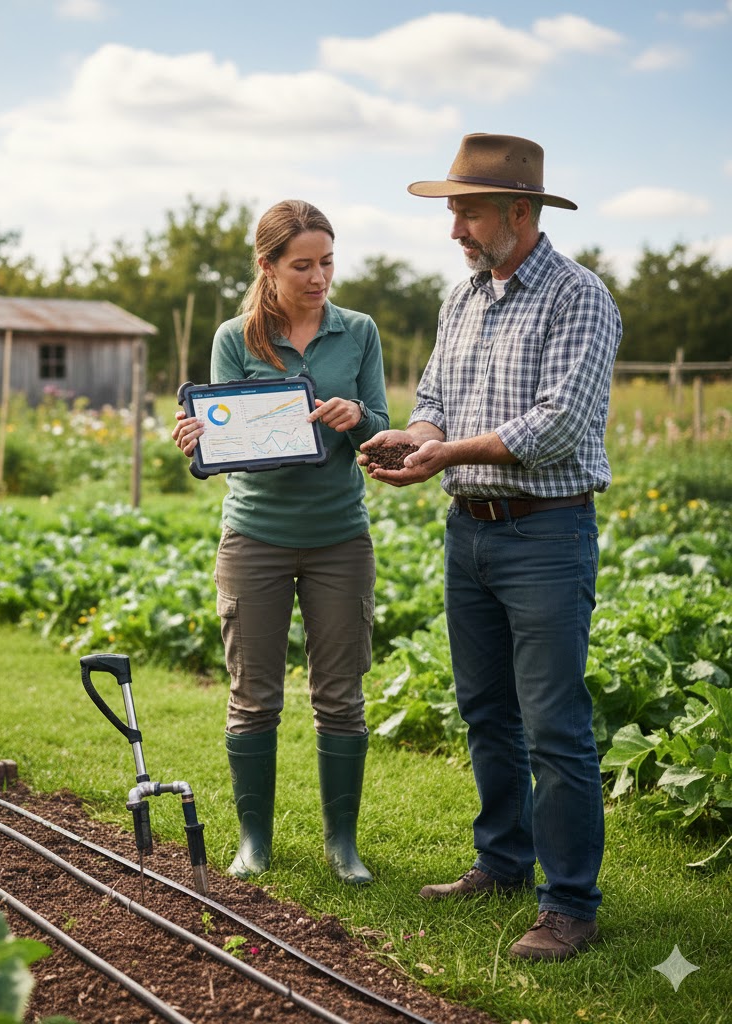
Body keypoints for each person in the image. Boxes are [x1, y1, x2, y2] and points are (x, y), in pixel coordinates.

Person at [361, 134, 622, 960]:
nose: (455, 232)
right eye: (452, 215)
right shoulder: (463, 298)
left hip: (546, 533)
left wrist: (448, 452)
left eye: (466, 213)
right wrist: (414, 437)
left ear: (520, 212)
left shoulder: (579, 298)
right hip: (468, 531)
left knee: (553, 725)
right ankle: (503, 862)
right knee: (485, 712)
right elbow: (435, 397)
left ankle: (569, 905)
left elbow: (558, 426)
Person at [173, 199, 389, 885]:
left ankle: (342, 847)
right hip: (256, 536)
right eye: (303, 265)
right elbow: (222, 440)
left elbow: (384, 426)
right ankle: (253, 843)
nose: (319, 276)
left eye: (327, 261)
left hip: (338, 539)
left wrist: (359, 417)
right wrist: (198, 443)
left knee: (341, 696)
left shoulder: (358, 332)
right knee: (253, 696)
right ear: (267, 267)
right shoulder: (236, 338)